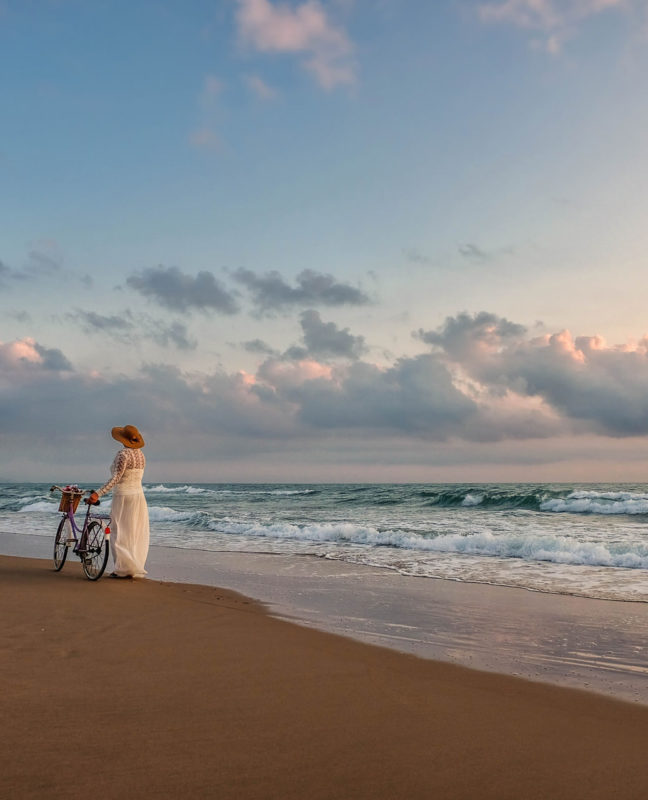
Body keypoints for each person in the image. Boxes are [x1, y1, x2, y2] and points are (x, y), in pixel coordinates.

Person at [88, 425, 150, 579]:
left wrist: (98, 493)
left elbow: (116, 478)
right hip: (138, 497)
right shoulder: (142, 456)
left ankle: (121, 569)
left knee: (118, 531)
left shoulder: (122, 454)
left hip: (123, 496)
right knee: (134, 532)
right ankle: (133, 567)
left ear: (123, 440)